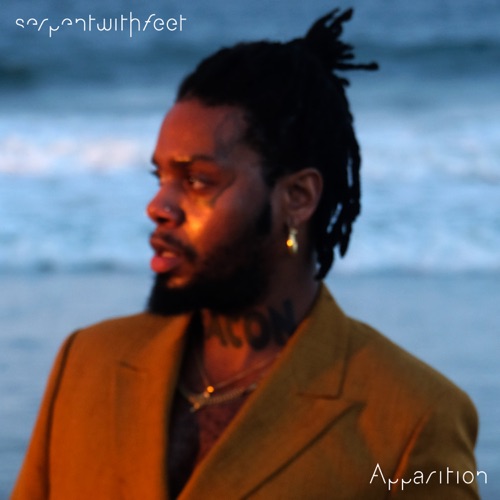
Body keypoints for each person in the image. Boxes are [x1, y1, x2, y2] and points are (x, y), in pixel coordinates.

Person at [12, 9, 479, 499]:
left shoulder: (414, 418)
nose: (158, 206)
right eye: (160, 177)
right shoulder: (87, 363)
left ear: (297, 197)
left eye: (197, 180)